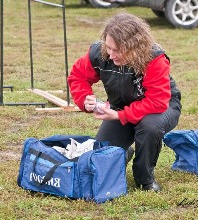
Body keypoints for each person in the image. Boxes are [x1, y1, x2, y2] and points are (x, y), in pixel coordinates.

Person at [67, 11, 181, 192]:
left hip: (161, 108)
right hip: (121, 108)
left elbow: (158, 101)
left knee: (149, 127)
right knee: (100, 155)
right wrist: (84, 99)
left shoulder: (154, 59)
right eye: (108, 47)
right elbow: (78, 76)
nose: (111, 55)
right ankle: (122, 153)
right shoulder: (99, 52)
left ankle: (145, 179)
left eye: (117, 50)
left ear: (134, 47)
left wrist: (121, 115)